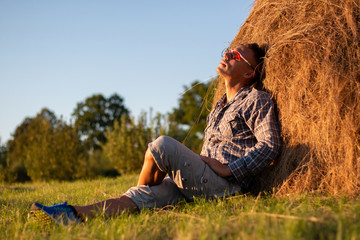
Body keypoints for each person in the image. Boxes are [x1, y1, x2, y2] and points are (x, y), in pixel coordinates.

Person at [30, 43, 281, 225]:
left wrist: (229, 169)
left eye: (236, 54)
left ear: (249, 73)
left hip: (225, 187)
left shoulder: (256, 100)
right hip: (198, 182)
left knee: (161, 145)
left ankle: (143, 196)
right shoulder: (218, 108)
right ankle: (70, 214)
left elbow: (270, 145)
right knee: (140, 195)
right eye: (228, 50)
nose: (227, 53)